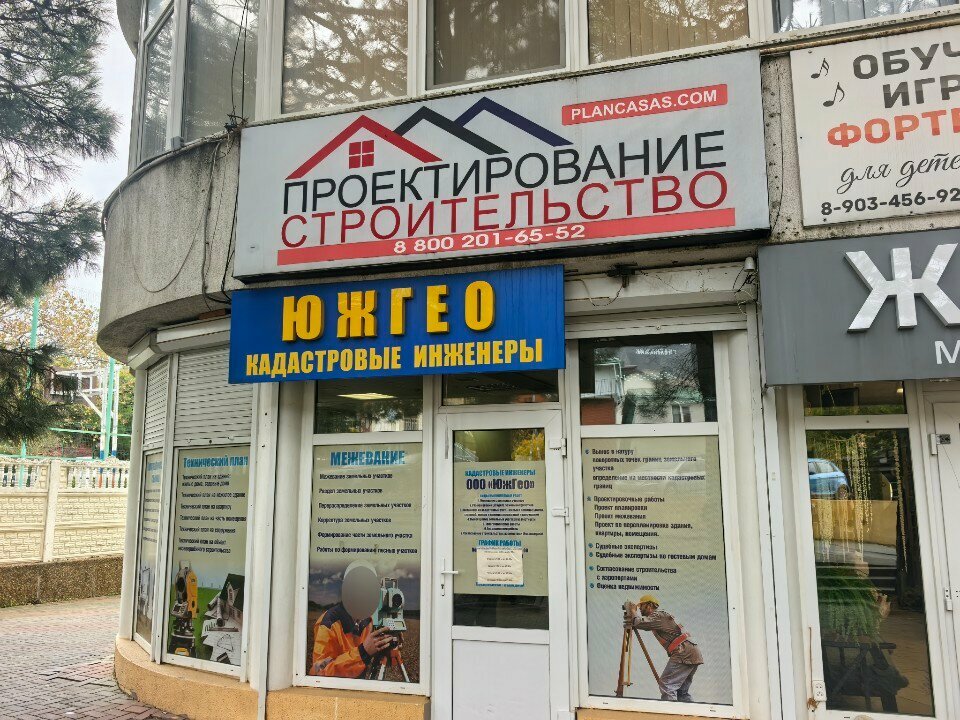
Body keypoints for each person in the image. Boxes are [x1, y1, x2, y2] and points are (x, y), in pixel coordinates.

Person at [308, 561, 395, 678]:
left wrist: (386, 644)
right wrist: (363, 653)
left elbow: (372, 651)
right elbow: (319, 672)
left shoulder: (368, 620)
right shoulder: (328, 623)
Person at [625, 594, 703, 702]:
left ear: (649, 605)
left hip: (684, 652)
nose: (640, 609)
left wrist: (632, 611)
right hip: (691, 652)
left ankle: (670, 711)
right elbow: (641, 623)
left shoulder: (657, 615)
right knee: (681, 692)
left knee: (667, 684)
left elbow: (638, 623)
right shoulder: (661, 616)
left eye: (641, 606)